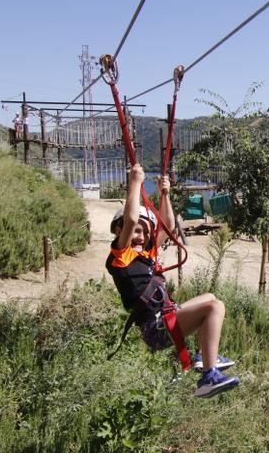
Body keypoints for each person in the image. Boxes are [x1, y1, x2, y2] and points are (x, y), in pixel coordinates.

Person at [106, 163, 239, 398]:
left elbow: (167, 227)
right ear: (120, 231)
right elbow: (130, 218)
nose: (140, 235)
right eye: (134, 231)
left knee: (210, 297)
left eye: (144, 232)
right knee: (214, 307)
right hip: (155, 329)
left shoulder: (145, 255)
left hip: (165, 318)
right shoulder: (121, 257)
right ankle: (208, 376)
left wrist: (165, 194)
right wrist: (135, 183)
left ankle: (202, 357)